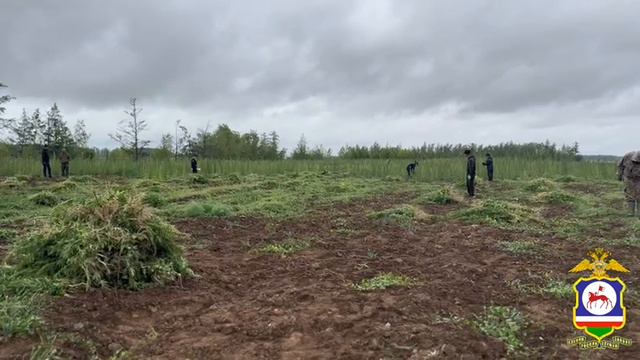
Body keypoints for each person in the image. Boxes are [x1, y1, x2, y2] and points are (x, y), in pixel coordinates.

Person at [617, 151, 640, 216]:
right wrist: (619, 175)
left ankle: (639, 213)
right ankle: (630, 212)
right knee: (630, 194)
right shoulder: (628, 156)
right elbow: (620, 166)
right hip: (628, 177)